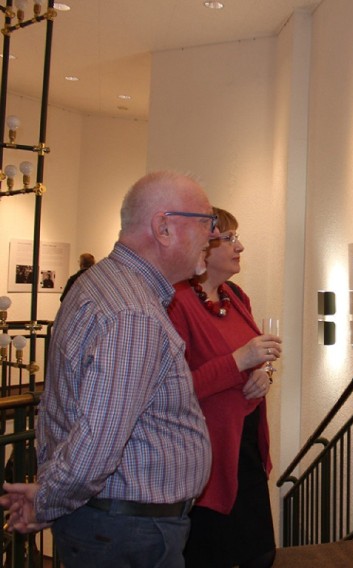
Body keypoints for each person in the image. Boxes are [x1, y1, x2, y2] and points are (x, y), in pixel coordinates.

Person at [0, 171, 216, 568]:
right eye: (206, 221)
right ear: (163, 227)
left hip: (112, 523)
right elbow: (96, 446)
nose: (213, 236)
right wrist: (46, 501)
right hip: (127, 533)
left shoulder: (99, 282)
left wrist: (48, 494)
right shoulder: (134, 313)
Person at [167, 207, 281, 568]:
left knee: (259, 555)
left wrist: (264, 376)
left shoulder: (236, 296)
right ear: (206, 246)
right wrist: (238, 361)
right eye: (230, 239)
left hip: (244, 450)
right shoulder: (177, 303)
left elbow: (255, 365)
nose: (240, 246)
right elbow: (171, 390)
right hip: (206, 459)